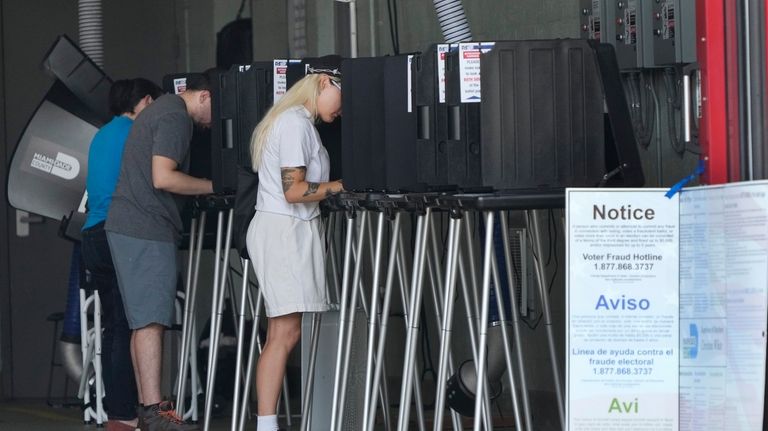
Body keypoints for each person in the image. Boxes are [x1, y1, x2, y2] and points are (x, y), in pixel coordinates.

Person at [105, 72, 214, 431]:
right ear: (203, 97)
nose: (214, 121)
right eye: (217, 109)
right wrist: (211, 186)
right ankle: (155, 411)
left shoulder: (161, 110)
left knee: (142, 322)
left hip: (129, 225)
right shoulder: (175, 116)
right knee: (152, 320)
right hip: (145, 226)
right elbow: (163, 177)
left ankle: (151, 411)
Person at [246, 58, 344, 431]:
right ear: (323, 83)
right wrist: (337, 186)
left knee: (284, 333)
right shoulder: (293, 125)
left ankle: (267, 423)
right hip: (284, 231)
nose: (342, 107)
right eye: (341, 96)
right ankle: (266, 424)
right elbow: (295, 190)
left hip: (287, 230)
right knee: (283, 335)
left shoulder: (297, 123)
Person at [81, 78, 163, 431]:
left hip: (93, 235)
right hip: (120, 233)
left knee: (115, 325)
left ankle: (121, 415)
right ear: (145, 102)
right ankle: (133, 413)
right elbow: (156, 179)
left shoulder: (103, 134)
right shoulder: (135, 133)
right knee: (135, 325)